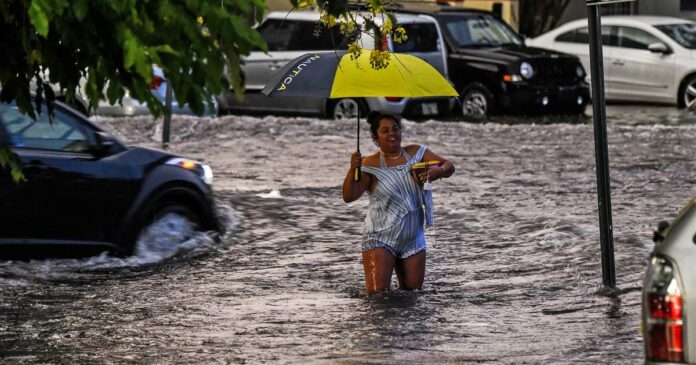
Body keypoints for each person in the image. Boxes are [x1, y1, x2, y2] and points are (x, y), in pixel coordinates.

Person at [342, 112, 455, 293]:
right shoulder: (369, 164)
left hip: (413, 237)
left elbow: (449, 165)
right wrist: (352, 169)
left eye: (395, 129)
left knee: (413, 295)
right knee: (378, 297)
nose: (392, 134)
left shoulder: (416, 153)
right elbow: (349, 196)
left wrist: (438, 171)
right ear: (376, 138)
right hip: (379, 237)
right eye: (385, 130)